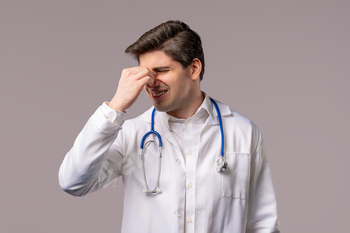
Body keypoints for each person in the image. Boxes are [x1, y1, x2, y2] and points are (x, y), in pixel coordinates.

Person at [59, 20, 281, 233]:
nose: (150, 83)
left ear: (194, 68)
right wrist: (115, 106)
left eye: (162, 71)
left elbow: (263, 223)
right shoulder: (132, 133)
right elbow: (74, 182)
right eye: (145, 74)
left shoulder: (242, 132)